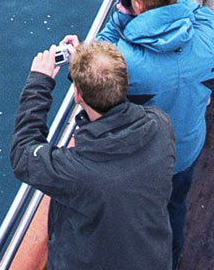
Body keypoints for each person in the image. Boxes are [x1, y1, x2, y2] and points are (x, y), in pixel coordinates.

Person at [95, 0, 214, 268]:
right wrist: (160, 0)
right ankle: (173, 259)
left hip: (143, 161)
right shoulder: (213, 34)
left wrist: (121, 15)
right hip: (186, 148)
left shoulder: (127, 62)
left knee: (137, 221)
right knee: (174, 208)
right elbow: (191, 11)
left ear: (137, 5)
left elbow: (96, 61)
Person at [10, 39, 175, 270]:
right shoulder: (160, 126)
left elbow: (22, 153)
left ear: (77, 96)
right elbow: (111, 103)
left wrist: (39, 82)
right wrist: (90, 72)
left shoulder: (77, 171)